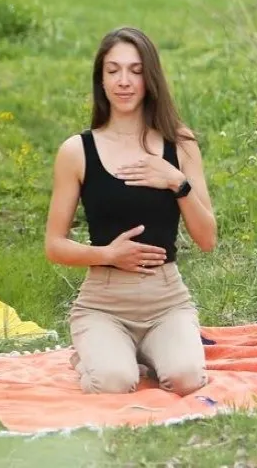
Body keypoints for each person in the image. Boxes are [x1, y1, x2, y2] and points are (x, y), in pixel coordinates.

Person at [44, 26, 218, 396]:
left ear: (150, 78)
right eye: (113, 70)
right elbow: (54, 245)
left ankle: (147, 353)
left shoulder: (180, 144)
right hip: (103, 303)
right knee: (114, 382)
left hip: (167, 300)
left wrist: (177, 183)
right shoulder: (76, 151)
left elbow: (207, 239)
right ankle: (98, 356)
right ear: (101, 79)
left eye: (135, 71)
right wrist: (108, 255)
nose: (124, 81)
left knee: (186, 379)